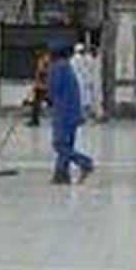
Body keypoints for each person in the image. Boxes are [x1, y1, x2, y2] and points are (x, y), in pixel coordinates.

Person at [48, 41, 94, 185]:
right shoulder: (67, 66)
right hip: (73, 111)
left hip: (63, 111)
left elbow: (53, 89)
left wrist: (44, 99)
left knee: (59, 144)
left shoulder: (57, 67)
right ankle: (61, 175)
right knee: (66, 144)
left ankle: (84, 162)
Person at [27, 50, 50, 126]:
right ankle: (35, 120)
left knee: (36, 104)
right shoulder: (43, 62)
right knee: (36, 103)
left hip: (41, 86)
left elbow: (40, 73)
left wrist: (36, 84)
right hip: (41, 86)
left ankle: (35, 120)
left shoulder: (42, 62)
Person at [71, 44, 94, 120]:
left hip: (77, 80)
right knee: (83, 99)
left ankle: (79, 116)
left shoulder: (72, 59)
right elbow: (85, 69)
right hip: (81, 80)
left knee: (80, 99)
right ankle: (81, 116)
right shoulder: (81, 58)